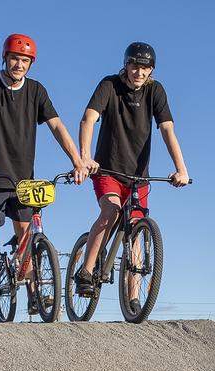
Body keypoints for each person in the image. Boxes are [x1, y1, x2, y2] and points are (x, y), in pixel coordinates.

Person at [0, 33, 87, 322]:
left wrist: (77, 161)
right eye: (14, 58)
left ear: (30, 64)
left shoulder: (36, 91)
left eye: (24, 60)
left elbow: (56, 126)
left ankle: (34, 295)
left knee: (27, 237)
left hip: (23, 179)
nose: (18, 64)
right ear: (4, 58)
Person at [72, 41, 189, 306]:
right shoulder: (109, 85)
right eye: (135, 66)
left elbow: (168, 130)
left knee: (136, 229)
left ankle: (133, 298)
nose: (139, 72)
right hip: (107, 169)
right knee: (111, 211)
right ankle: (86, 272)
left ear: (152, 70)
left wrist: (181, 168)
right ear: (126, 65)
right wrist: (85, 156)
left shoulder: (155, 91)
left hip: (139, 177)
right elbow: (88, 118)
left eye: (145, 67)